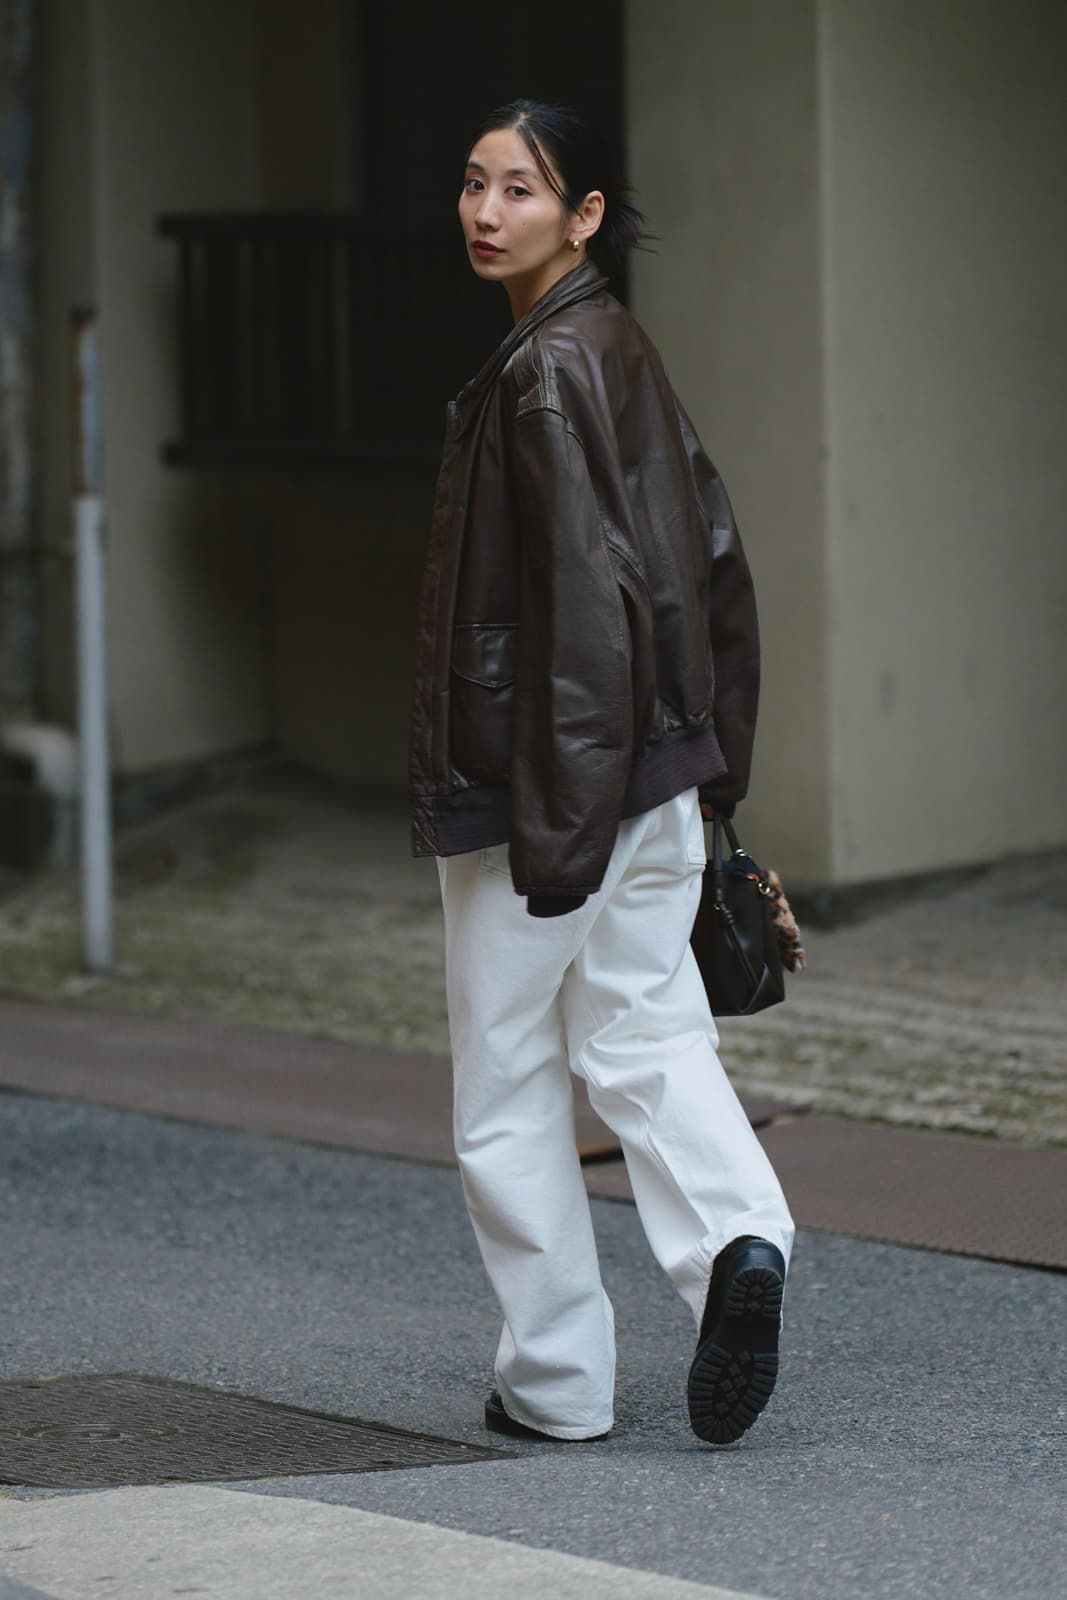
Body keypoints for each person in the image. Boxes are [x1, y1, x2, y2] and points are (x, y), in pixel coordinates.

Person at [408, 98, 794, 1445]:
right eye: (471, 184)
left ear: (582, 218)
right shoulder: (621, 349)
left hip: (547, 793)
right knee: (646, 1034)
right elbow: (721, 569)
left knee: (508, 1081)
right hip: (659, 772)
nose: (483, 210)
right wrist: (712, 778)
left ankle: (558, 1384)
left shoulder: (537, 376)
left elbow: (578, 605)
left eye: (519, 189)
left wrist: (558, 828)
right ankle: (743, 1240)